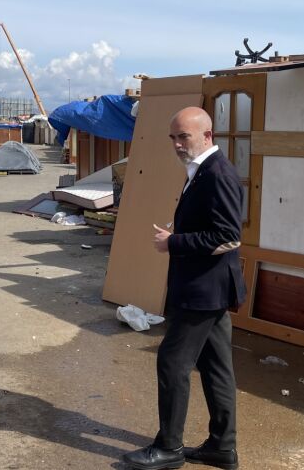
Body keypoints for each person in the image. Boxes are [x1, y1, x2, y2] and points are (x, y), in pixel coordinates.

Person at [122, 106, 246, 470]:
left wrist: (174, 242)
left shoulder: (217, 173)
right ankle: (222, 448)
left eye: (184, 137)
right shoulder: (201, 170)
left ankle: (169, 448)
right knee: (217, 368)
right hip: (209, 288)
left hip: (203, 290)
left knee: (173, 362)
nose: (177, 144)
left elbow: (228, 237)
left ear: (207, 136)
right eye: (173, 137)